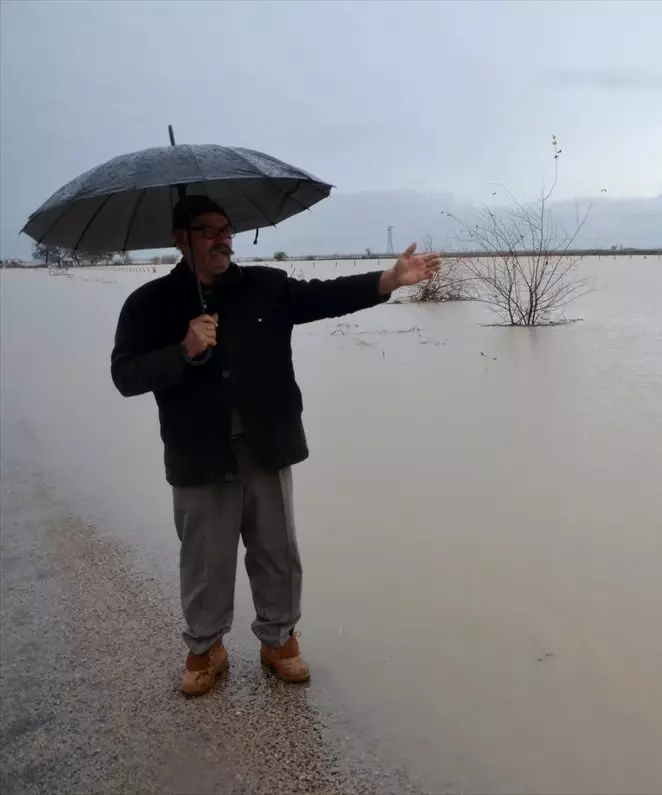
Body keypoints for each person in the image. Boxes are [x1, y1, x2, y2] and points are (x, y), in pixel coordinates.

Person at [110, 195, 441, 697]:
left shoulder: (264, 287)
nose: (223, 238)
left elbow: (325, 296)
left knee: (277, 551)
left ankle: (279, 639)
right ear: (181, 239)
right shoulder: (148, 304)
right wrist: (184, 350)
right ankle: (204, 647)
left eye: (228, 229)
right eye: (209, 230)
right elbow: (125, 375)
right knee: (205, 559)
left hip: (268, 446)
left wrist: (388, 281)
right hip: (199, 455)